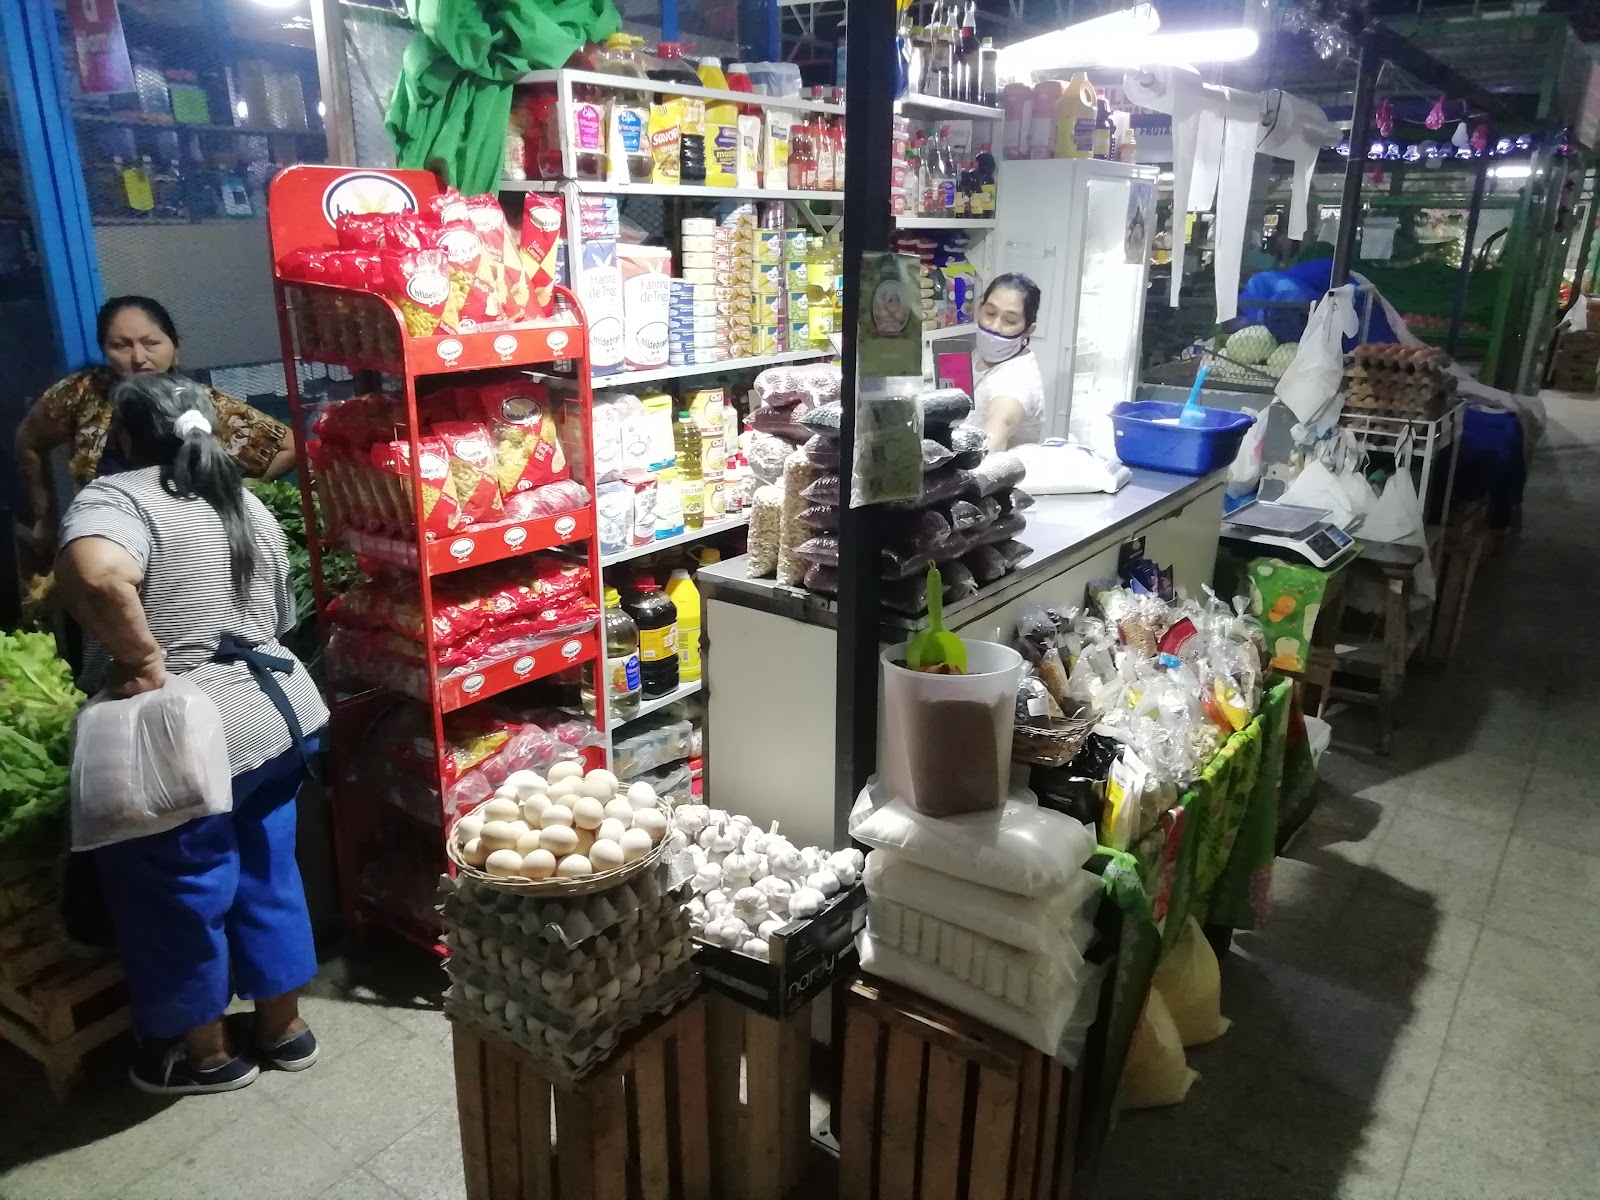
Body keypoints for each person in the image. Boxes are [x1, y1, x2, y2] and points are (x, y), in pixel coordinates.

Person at [54, 373, 329, 1096]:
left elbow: (98, 575)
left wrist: (144, 659)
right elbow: (281, 619)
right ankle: (284, 1030)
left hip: (186, 740)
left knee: (176, 891)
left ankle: (207, 1056)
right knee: (269, 873)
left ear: (121, 436)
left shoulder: (117, 497)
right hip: (278, 719)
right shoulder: (238, 500)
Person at [16, 296, 296, 555]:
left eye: (151, 343)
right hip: (106, 543)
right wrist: (45, 517)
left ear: (175, 350)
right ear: (104, 350)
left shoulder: (198, 404)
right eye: (121, 345)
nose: (138, 358)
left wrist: (237, 489)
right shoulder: (85, 392)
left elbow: (290, 447)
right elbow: (28, 440)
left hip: (183, 548)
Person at [971, 273, 1047, 451]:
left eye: (1009, 320)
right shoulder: (981, 355)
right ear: (979, 309)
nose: (995, 326)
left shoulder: (1016, 382)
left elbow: (999, 425)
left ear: (1028, 329)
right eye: (990, 313)